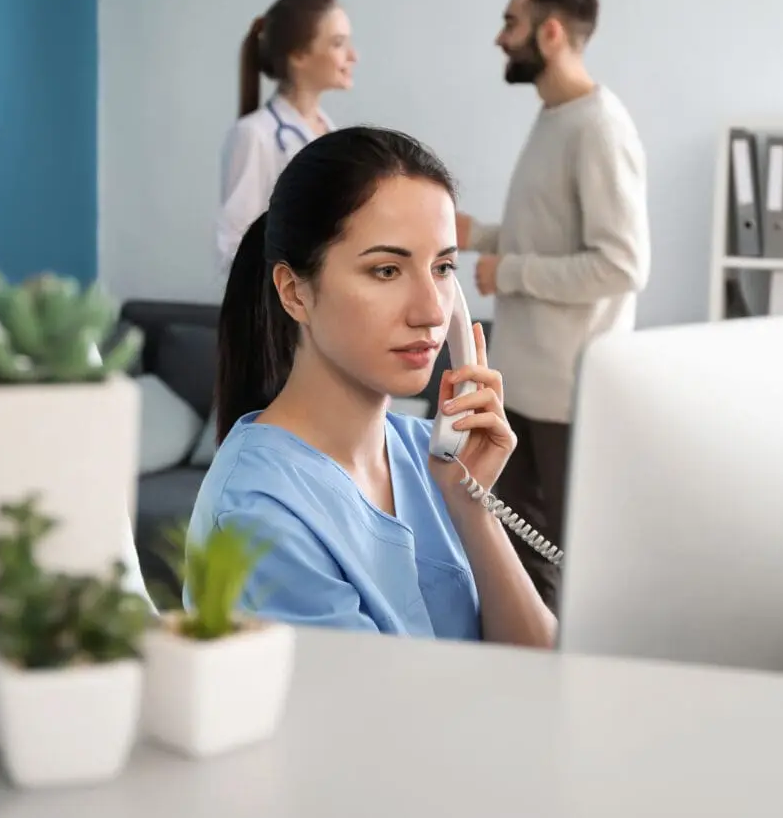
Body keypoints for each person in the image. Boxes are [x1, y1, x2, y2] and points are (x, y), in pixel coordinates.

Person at [187, 125, 557, 649]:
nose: (432, 310)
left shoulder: (427, 456)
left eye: (443, 267)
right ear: (295, 292)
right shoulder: (259, 514)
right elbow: (378, 723)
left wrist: (472, 506)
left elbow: (542, 668)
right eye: (386, 270)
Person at [455, 0, 651, 614]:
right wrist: (481, 235)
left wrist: (505, 272)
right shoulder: (556, 118)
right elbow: (555, 234)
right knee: (517, 558)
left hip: (569, 398)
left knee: (568, 568)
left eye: (510, 23)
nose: (498, 38)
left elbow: (621, 265)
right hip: (529, 391)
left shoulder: (599, 126)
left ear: (551, 31)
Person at [213, 0, 358, 273]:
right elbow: (234, 248)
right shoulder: (255, 135)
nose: (353, 56)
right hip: (282, 307)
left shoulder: (330, 133)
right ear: (299, 55)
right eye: (338, 43)